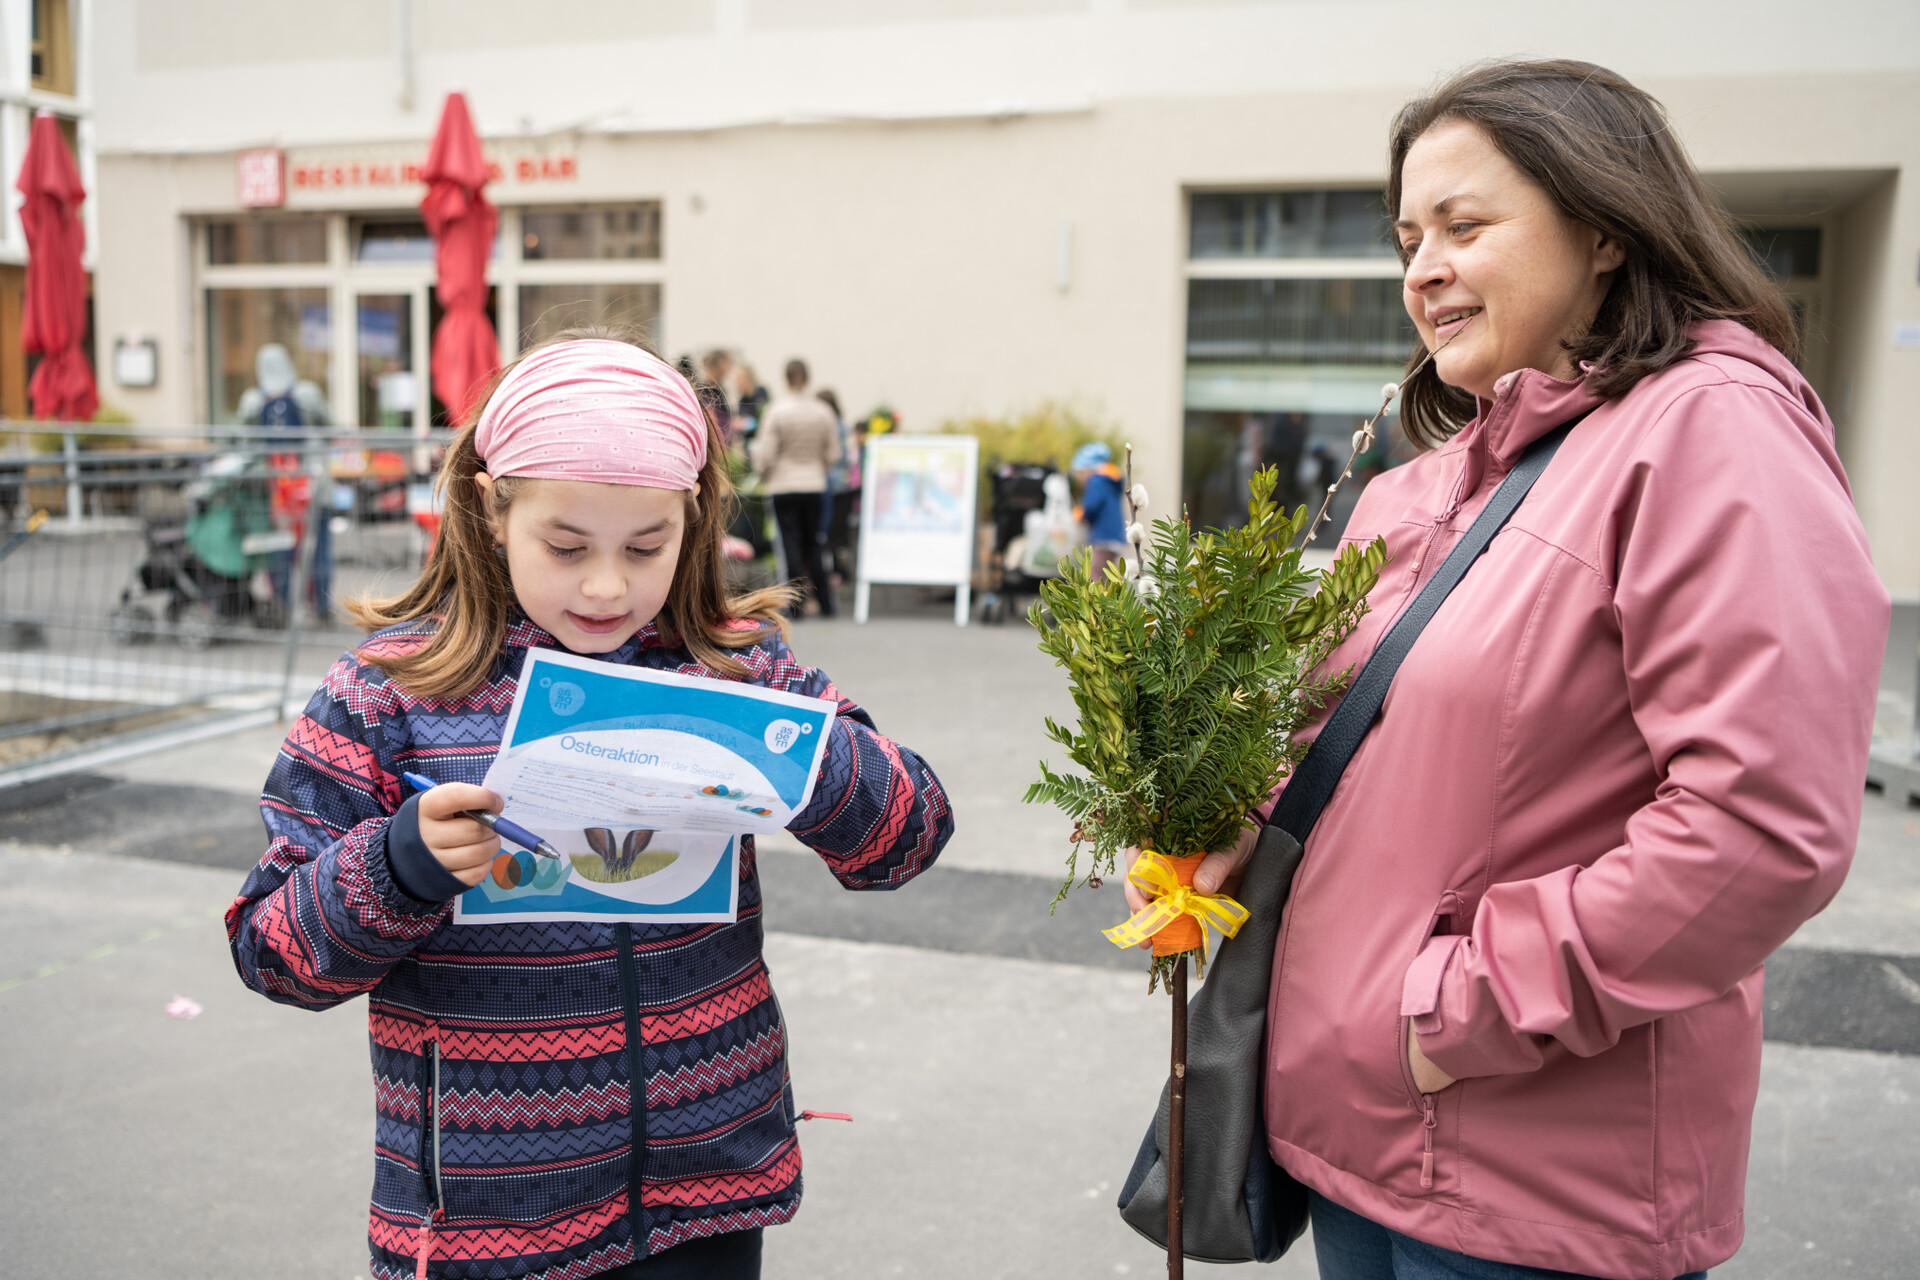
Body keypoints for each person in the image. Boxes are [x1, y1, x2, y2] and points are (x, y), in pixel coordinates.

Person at [1130, 60, 1889, 1280]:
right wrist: (1236, 830)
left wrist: (1451, 1012)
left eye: (1465, 225)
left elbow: (1760, 827)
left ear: (1602, 226)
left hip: (1531, 1176)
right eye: (1408, 236)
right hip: (1352, 1136)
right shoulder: (1424, 478)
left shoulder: (1711, 431)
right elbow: (1378, 742)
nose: (1422, 265)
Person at [227, 332, 953, 1280]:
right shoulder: (389, 694)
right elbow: (271, 950)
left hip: (708, 1192)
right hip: (488, 1223)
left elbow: (908, 839)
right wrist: (398, 863)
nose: (608, 586)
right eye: (565, 546)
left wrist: (808, 762)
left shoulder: (736, 664)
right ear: (492, 510)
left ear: (691, 521)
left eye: (646, 546)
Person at [751, 359, 841, 618]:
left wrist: (766, 473)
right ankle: (826, 603)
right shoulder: (823, 411)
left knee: (790, 543)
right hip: (814, 484)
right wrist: (818, 467)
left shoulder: (777, 411)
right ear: (808, 378)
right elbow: (834, 453)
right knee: (813, 543)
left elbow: (765, 454)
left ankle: (796, 605)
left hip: (783, 485)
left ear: (786, 378)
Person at [1069, 441, 1127, 578]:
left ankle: (1096, 600)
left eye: (1079, 472)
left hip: (1103, 537)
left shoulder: (1097, 481)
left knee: (1095, 575)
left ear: (1087, 468)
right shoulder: (1109, 481)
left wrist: (1080, 514)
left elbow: (1092, 505)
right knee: (1107, 574)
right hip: (1113, 537)